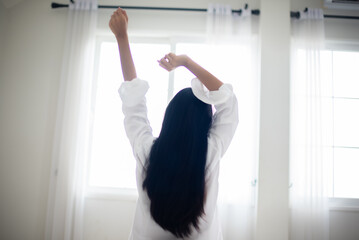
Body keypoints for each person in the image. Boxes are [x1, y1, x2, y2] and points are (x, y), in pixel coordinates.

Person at [109, 8, 239, 240]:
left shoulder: (147, 151)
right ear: (206, 124)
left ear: (169, 118)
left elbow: (133, 103)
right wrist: (186, 62)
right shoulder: (210, 153)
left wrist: (122, 38)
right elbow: (228, 102)